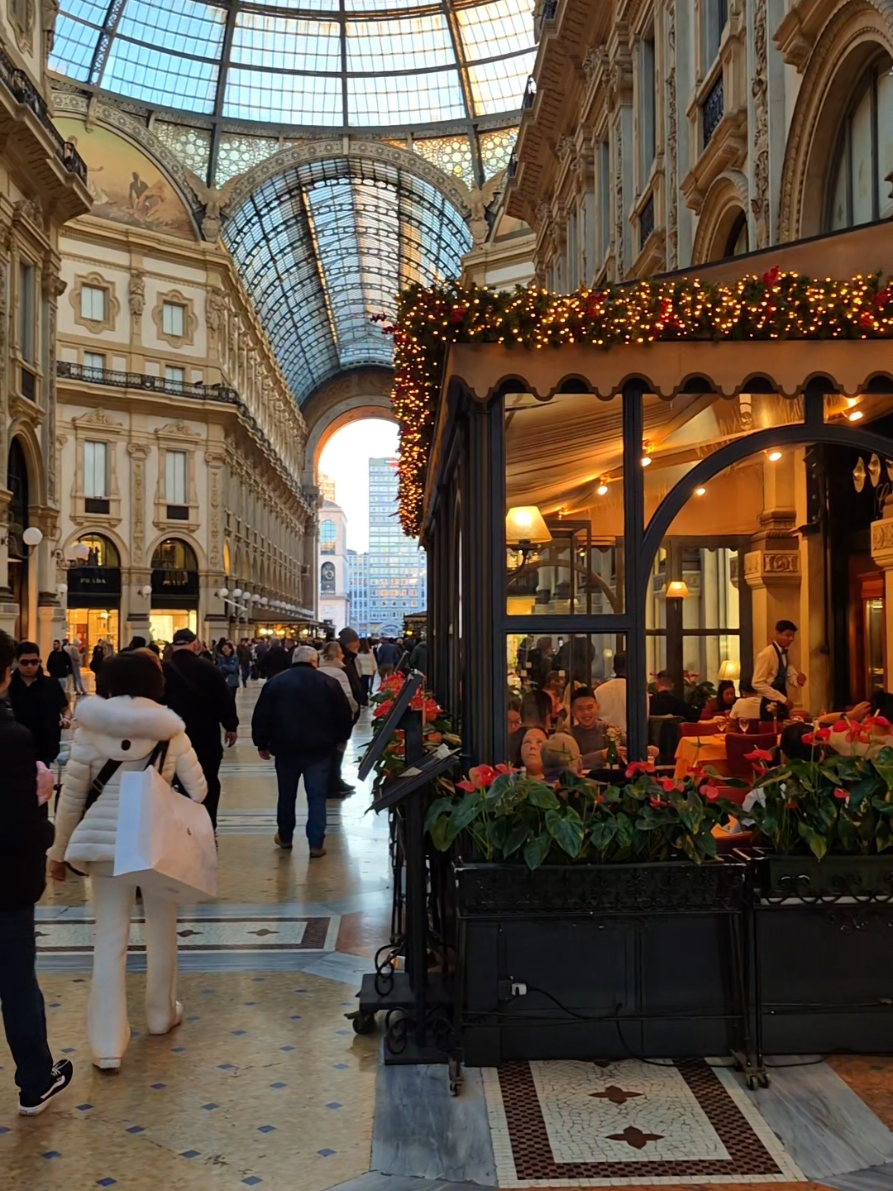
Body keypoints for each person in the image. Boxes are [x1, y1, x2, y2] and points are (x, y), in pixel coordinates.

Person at [48, 651, 207, 1071]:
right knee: (162, 930)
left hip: (102, 846)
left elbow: (73, 799)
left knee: (109, 939)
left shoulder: (90, 727)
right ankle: (160, 1014)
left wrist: (59, 852)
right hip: (154, 844)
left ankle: (107, 1044)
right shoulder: (171, 730)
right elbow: (200, 790)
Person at [0, 630, 75, 1116]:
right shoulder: (10, 739)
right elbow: (21, 825)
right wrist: (45, 818)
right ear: (5, 674)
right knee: (16, 981)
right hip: (6, 884)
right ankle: (34, 1080)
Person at [252, 646, 353, 858]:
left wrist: (262, 743)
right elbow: (344, 714)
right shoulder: (329, 683)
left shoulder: (276, 682)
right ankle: (316, 844)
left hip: (286, 749)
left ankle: (285, 837)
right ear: (314, 662)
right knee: (317, 797)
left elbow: (262, 715)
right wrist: (340, 739)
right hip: (320, 751)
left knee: (286, 796)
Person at [162, 628, 238, 831]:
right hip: (206, 736)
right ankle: (207, 826)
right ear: (195, 645)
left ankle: (181, 828)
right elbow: (225, 699)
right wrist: (230, 726)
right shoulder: (209, 668)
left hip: (173, 737)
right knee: (208, 780)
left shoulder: (163, 670)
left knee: (175, 782)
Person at [9, 642, 69, 766]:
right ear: (17, 661)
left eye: (34, 662)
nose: (30, 666)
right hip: (13, 747)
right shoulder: (8, 685)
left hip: (44, 746)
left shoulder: (51, 685)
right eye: (25, 662)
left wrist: (66, 719)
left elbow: (65, 707)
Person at [753, 619, 806, 721]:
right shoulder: (766, 654)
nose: (791, 639)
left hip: (783, 699)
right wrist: (781, 699)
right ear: (777, 634)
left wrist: (798, 680)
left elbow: (789, 673)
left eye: (793, 636)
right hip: (769, 703)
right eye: (788, 635)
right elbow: (757, 683)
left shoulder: (784, 653)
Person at [569, 687, 625, 769]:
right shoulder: (568, 735)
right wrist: (601, 755)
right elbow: (568, 764)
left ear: (598, 708)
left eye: (590, 707)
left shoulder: (609, 729)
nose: (586, 712)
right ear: (573, 712)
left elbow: (630, 744)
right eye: (580, 709)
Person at [594, 653, 627, 732]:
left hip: (605, 737)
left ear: (614, 669)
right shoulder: (639, 691)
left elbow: (596, 718)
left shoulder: (599, 690)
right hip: (633, 737)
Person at [356, 638, 377, 704]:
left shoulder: (357, 652)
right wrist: (374, 670)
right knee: (365, 685)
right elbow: (373, 662)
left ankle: (360, 699)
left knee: (360, 686)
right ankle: (365, 699)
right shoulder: (370, 652)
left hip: (359, 671)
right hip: (367, 671)